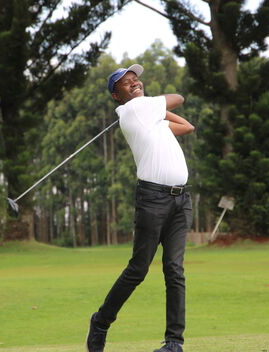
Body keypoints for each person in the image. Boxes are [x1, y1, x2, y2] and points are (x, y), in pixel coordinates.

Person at [86, 64, 194, 352]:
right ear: (115, 96)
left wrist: (157, 111)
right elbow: (179, 97)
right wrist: (152, 106)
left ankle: (174, 343)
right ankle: (101, 322)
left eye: (136, 79)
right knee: (138, 269)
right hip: (153, 199)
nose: (134, 83)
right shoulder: (134, 111)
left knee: (174, 269)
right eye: (126, 83)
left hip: (180, 200)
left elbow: (187, 126)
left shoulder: (149, 115)